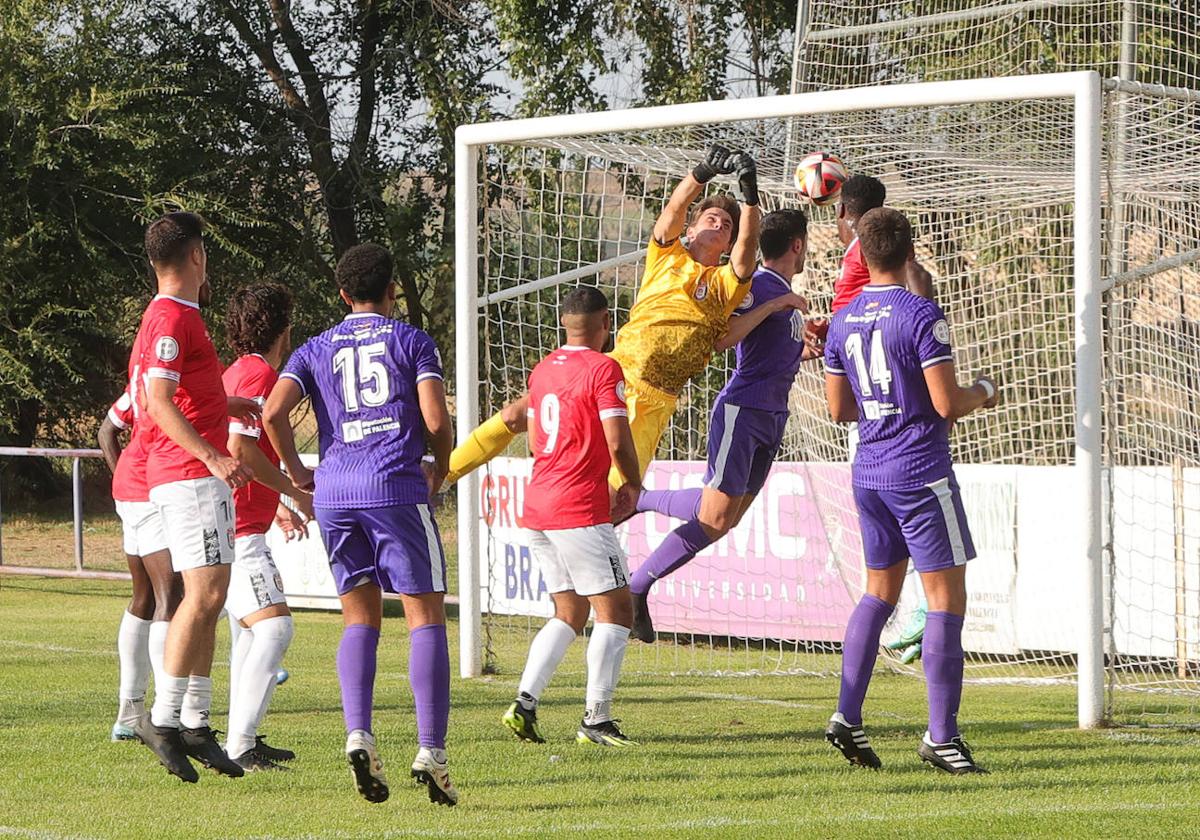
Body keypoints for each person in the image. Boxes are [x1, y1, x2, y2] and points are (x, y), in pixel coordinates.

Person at [446, 145, 763, 512]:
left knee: (617, 501)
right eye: (711, 218)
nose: (719, 225)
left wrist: (750, 198)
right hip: (611, 371)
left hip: (654, 399)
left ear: (728, 244)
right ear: (691, 229)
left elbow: (747, 249)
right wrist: (702, 171)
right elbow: (672, 211)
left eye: (727, 226)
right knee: (518, 414)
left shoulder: (726, 284)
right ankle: (442, 473)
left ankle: (581, 555)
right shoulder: (667, 257)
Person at [263, 243, 457, 806]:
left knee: (359, 617)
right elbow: (435, 417)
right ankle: (432, 750)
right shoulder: (412, 341)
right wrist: (440, 467)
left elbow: (273, 411)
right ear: (392, 290)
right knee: (425, 615)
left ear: (343, 295)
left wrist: (298, 469)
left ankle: (358, 733)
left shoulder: (315, 347)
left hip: (336, 492)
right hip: (394, 486)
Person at [822, 208, 998, 774]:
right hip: (919, 471)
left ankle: (847, 717)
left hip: (868, 472)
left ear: (863, 253)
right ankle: (941, 737)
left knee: (878, 593)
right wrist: (984, 390)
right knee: (945, 600)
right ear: (910, 251)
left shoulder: (844, 320)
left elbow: (838, 409)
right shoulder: (921, 314)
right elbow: (947, 404)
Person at [627, 209, 816, 641]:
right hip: (743, 411)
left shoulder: (781, 291)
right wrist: (775, 304)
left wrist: (803, 350)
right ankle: (637, 530)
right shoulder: (765, 285)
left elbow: (766, 350)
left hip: (772, 416)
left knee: (722, 520)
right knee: (714, 514)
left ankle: (638, 570)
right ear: (798, 245)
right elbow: (724, 335)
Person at [132, 212, 256, 783]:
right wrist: (212, 453)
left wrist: (224, 407)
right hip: (188, 473)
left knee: (211, 595)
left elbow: (178, 391)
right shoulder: (169, 316)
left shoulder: (178, 316)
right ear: (198, 257)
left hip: (188, 471)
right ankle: (161, 719)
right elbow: (157, 401)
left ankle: (197, 723)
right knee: (201, 596)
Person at [500, 287, 642, 747]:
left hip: (538, 504)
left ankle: (524, 703)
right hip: (577, 507)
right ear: (606, 323)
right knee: (618, 609)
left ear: (564, 323)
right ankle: (596, 720)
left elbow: (519, 421)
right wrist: (632, 484)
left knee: (569, 610)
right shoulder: (604, 368)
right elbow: (618, 439)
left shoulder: (543, 369)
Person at [809, 174, 934, 664]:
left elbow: (917, 279)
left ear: (843, 214)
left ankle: (925, 607)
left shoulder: (865, 249)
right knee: (893, 517)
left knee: (905, 509)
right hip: (869, 395)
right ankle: (919, 609)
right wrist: (829, 334)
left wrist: (927, 335)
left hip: (887, 405)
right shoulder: (856, 259)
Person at [220, 283, 314, 771]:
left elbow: (241, 451)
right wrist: (297, 491)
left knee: (249, 635)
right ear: (284, 327)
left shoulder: (240, 368)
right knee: (274, 629)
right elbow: (241, 450)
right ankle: (240, 744)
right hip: (235, 530)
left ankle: (241, 742)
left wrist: (276, 503)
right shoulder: (259, 373)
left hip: (239, 520)